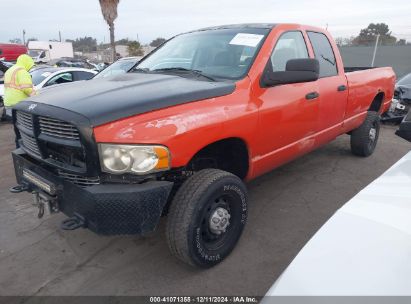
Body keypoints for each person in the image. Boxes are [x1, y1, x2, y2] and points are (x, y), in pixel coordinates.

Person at [3, 54, 36, 120]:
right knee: (23, 124)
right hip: (19, 103)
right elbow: (26, 88)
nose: (29, 68)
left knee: (15, 123)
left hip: (8, 102)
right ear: (26, 63)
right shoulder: (22, 71)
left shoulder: (9, 70)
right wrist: (36, 96)